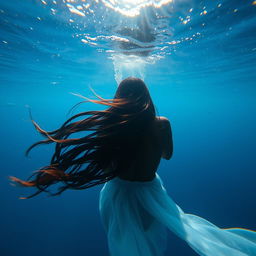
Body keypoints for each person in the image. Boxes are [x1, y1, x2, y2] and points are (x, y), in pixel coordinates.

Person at [10, 77, 256, 256]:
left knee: (125, 242)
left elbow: (102, 161)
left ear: (119, 97)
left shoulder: (112, 123)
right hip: (151, 190)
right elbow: (168, 155)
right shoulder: (161, 124)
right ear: (147, 96)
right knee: (155, 236)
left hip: (118, 192)